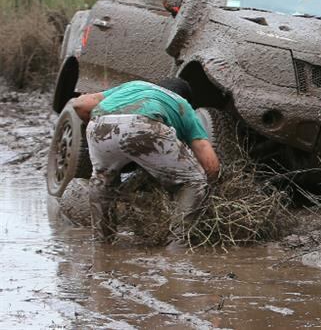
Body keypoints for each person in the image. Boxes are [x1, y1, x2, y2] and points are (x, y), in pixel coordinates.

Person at [69, 77, 220, 246]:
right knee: (195, 182)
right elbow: (209, 162)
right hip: (145, 124)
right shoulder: (182, 105)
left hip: (99, 124)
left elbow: (79, 104)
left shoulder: (134, 85)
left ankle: (103, 245)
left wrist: (103, 132)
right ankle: (177, 246)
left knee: (103, 181)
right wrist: (214, 186)